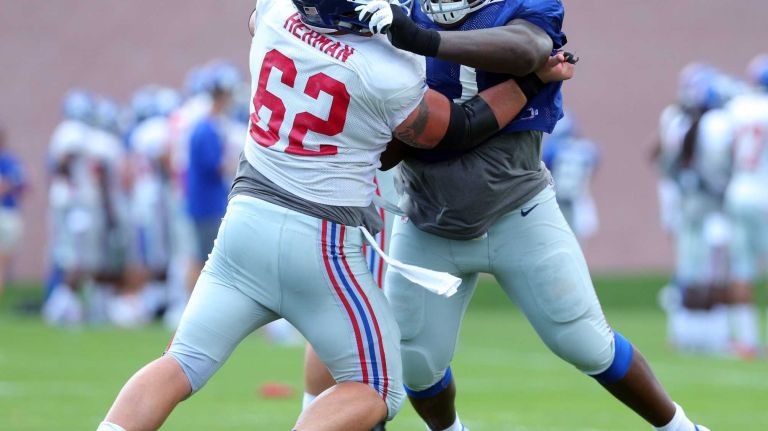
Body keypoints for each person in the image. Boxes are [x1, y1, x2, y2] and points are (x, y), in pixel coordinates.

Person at [96, 0, 573, 429]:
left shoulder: (274, 15)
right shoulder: (386, 70)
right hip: (321, 240)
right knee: (378, 387)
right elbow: (459, 128)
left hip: (244, 224)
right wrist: (531, 81)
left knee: (181, 361)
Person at [358, 1, 711, 430]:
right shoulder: (400, 12)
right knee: (415, 361)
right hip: (429, 219)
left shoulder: (519, 10)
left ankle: (683, 428)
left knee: (585, 341)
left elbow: (527, 48)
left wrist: (422, 39)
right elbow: (399, 138)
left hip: (518, 211)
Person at [723, 53, 768, 357]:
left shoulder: (736, 108)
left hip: (739, 190)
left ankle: (747, 340)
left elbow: (722, 150)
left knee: (741, 268)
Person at [542, 112, 600, 241]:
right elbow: (594, 167)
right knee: (578, 246)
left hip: (556, 201)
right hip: (581, 201)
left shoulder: (552, 149)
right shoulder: (588, 149)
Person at [0, 127, 26, 299]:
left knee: (3, 261)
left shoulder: (10, 162)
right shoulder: (12, 162)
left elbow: (23, 185)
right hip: (8, 215)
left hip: (7, 213)